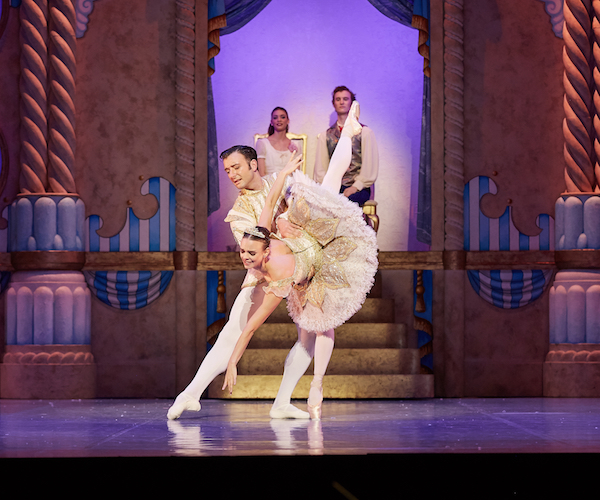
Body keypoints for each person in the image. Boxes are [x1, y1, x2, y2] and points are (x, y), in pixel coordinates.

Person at [222, 101, 378, 419]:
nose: (246, 258)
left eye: (250, 252)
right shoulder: (274, 284)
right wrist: (233, 361)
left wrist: (285, 173)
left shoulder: (264, 232)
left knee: (332, 184)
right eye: (243, 255)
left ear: (265, 248)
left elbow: (270, 197)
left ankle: (348, 133)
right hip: (311, 276)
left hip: (310, 237)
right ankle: (314, 385)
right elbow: (250, 327)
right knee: (318, 328)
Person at [167, 146, 329, 421]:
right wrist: (281, 225)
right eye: (227, 170)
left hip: (302, 268)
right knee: (233, 332)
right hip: (265, 275)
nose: (231, 174)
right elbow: (256, 242)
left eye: (236, 167)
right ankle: (191, 393)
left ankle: (282, 401)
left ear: (253, 164)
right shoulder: (240, 211)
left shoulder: (285, 180)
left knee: (309, 336)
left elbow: (310, 209)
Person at [314, 86, 378, 207]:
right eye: (338, 99)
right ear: (333, 103)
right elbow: (321, 169)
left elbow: (369, 166)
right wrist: (326, 189)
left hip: (357, 187)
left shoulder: (365, 132)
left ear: (351, 102)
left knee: (345, 203)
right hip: (332, 187)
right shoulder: (325, 136)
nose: (342, 102)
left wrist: (356, 186)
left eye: (345, 99)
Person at [256, 107, 300, 176]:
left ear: (288, 121)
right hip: (269, 185)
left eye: (282, 117)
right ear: (271, 122)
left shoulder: (295, 145)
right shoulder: (263, 143)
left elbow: (297, 174)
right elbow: (261, 174)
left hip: (290, 185)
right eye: (275, 118)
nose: (279, 120)